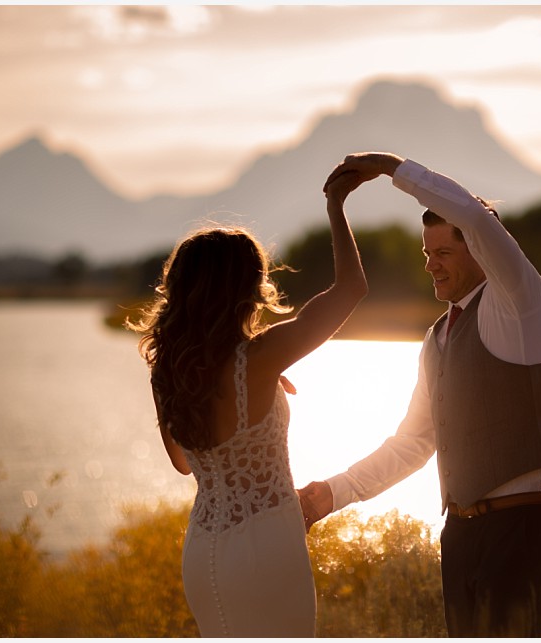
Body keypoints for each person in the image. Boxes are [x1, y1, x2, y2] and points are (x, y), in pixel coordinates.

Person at [299, 152, 541, 637]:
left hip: (523, 529)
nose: (431, 266)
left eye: (443, 253)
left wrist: (388, 167)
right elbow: (412, 444)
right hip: (461, 534)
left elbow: (471, 215)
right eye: (426, 254)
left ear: (480, 250)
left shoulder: (520, 305)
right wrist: (331, 495)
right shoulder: (437, 337)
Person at [127, 169, 369, 637]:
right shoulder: (259, 358)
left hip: (203, 549)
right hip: (267, 542)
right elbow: (351, 289)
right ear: (247, 287)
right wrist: (336, 207)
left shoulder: (170, 368)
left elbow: (182, 463)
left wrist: (263, 381)